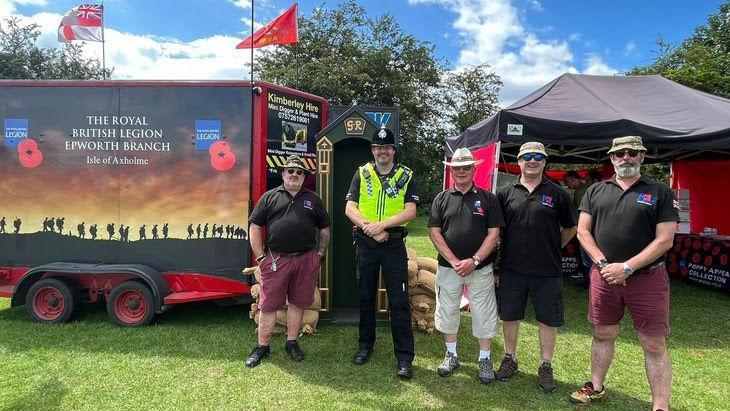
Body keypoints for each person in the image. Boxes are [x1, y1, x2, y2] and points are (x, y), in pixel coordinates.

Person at [570, 136, 679, 411]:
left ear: (642, 156)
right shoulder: (595, 191)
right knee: (603, 333)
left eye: (632, 153)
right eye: (620, 153)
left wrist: (628, 267)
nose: (625, 158)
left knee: (653, 343)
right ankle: (595, 387)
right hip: (605, 276)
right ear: (612, 157)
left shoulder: (660, 192)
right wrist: (604, 264)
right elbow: (582, 231)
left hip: (647, 278)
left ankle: (660, 405)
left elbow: (665, 239)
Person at [496, 142, 577, 393]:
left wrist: (554, 246)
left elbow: (571, 227)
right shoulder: (505, 193)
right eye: (527, 157)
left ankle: (545, 365)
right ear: (519, 161)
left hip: (547, 270)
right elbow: (497, 231)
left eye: (538, 157)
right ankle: (510, 358)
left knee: (548, 319)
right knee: (510, 315)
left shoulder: (558, 193)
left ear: (544, 161)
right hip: (511, 267)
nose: (532, 161)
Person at [345, 125, 418, 380]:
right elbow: (350, 209)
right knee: (365, 298)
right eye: (378, 147)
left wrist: (383, 226)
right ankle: (365, 346)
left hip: (393, 244)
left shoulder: (406, 175)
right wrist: (370, 229)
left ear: (393, 150)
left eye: (386, 147)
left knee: (399, 302)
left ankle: (404, 357)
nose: (382, 152)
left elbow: (410, 211)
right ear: (373, 150)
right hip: (366, 243)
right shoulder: (362, 173)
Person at [245, 155, 331, 367]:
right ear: (283, 174)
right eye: (290, 171)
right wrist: (261, 258)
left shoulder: (313, 199)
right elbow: (255, 227)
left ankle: (291, 343)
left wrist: (319, 254)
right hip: (276, 260)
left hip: (305, 260)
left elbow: (325, 229)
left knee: (298, 303)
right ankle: (262, 347)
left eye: (299, 172)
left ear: (304, 176)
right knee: (268, 304)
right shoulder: (269, 197)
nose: (294, 175)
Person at [428, 148, 504, 383]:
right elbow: (434, 233)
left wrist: (475, 261)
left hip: (480, 268)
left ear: (474, 169)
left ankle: (484, 358)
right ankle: (451, 356)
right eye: (456, 168)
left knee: (484, 312)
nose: (460, 172)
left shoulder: (488, 198)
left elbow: (494, 234)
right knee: (448, 309)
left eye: (465, 167)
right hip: (449, 267)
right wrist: (453, 260)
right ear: (451, 171)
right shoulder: (441, 198)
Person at [564, 170, 590, 283]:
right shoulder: (583, 189)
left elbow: (584, 211)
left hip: (584, 228)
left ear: (573, 179)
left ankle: (587, 279)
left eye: (567, 182)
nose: (566, 185)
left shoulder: (580, 192)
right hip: (585, 227)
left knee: (585, 254)